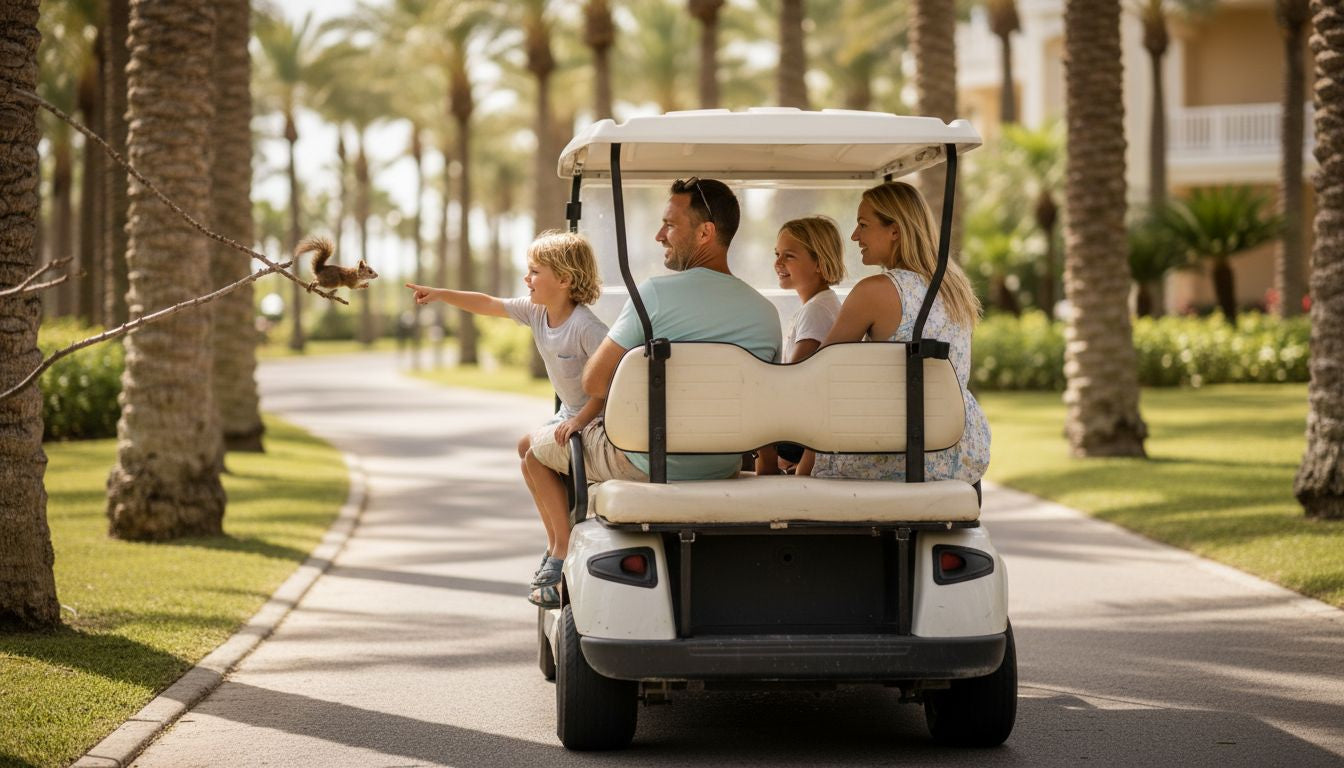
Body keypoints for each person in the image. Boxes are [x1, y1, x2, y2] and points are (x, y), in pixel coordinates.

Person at [524, 177, 782, 607]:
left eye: (670, 225)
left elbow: (593, 382)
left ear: (705, 232)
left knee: (534, 451)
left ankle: (560, 555)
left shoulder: (656, 296)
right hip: (719, 465)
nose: (659, 235)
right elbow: (771, 406)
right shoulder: (765, 313)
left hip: (646, 462)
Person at [405, 230, 609, 587]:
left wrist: (580, 420)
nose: (526, 278)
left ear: (564, 279)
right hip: (570, 414)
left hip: (594, 420)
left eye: (535, 272)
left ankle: (562, 549)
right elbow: (488, 303)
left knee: (534, 457)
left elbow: (609, 387)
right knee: (524, 447)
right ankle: (556, 540)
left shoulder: (586, 327)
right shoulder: (536, 311)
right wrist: (441, 294)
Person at [807, 180, 990, 484]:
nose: (854, 236)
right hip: (959, 450)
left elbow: (817, 373)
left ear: (895, 231)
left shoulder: (876, 291)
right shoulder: (954, 286)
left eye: (863, 225)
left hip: (898, 452)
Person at [755, 216, 846, 476]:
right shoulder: (821, 304)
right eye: (777, 254)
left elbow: (793, 381)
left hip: (802, 432)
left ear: (819, 262)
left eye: (789, 256)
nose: (778, 263)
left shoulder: (816, 311)